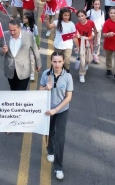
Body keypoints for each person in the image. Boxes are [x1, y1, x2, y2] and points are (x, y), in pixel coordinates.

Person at [39, 51, 73, 181]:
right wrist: (46, 88)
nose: (57, 64)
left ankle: (58, 167)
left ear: (63, 61)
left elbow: (68, 97)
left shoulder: (68, 77)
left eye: (59, 61)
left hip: (61, 110)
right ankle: (50, 150)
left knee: (60, 138)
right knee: (49, 132)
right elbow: (39, 90)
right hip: (48, 109)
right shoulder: (46, 74)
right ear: (51, 62)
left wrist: (56, 109)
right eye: (54, 61)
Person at [0, 19, 42, 91]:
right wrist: (2, 50)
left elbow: (35, 48)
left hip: (24, 70)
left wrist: (38, 63)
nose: (12, 32)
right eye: (10, 30)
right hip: (10, 69)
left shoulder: (28, 36)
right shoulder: (4, 35)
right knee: (13, 90)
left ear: (19, 28)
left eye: (14, 30)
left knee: (20, 92)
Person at [75, 10, 95, 83]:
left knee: (89, 59)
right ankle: (82, 74)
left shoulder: (91, 23)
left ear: (86, 16)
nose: (81, 18)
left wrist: (92, 38)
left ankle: (87, 63)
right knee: (82, 61)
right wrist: (77, 46)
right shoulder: (77, 25)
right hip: (81, 45)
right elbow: (75, 36)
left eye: (82, 16)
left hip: (89, 43)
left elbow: (94, 31)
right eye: (79, 16)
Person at [22, 12, 40, 81]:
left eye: (25, 18)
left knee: (32, 60)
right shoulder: (21, 26)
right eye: (23, 18)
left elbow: (37, 36)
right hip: (23, 46)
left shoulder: (35, 27)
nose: (23, 20)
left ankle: (32, 73)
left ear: (29, 19)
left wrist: (38, 45)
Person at [86, 0, 104, 64]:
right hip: (91, 30)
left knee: (97, 43)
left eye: (98, 4)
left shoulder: (102, 12)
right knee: (90, 42)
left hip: (98, 29)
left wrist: (103, 28)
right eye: (95, 4)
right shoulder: (90, 11)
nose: (97, 5)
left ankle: (95, 54)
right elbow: (84, 18)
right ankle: (90, 53)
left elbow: (103, 22)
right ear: (92, 4)